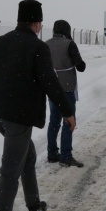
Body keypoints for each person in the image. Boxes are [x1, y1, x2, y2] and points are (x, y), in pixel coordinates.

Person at [0, 0, 76, 211]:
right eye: (40, 22)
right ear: (36, 22)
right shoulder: (37, 47)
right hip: (17, 119)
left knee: (28, 156)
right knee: (10, 171)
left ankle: (34, 205)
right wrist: (67, 112)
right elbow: (50, 84)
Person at [45, 20, 87, 168]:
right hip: (67, 88)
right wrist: (80, 64)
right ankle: (66, 156)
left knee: (54, 121)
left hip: (52, 88)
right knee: (69, 121)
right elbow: (80, 66)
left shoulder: (46, 44)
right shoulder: (69, 44)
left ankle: (52, 154)